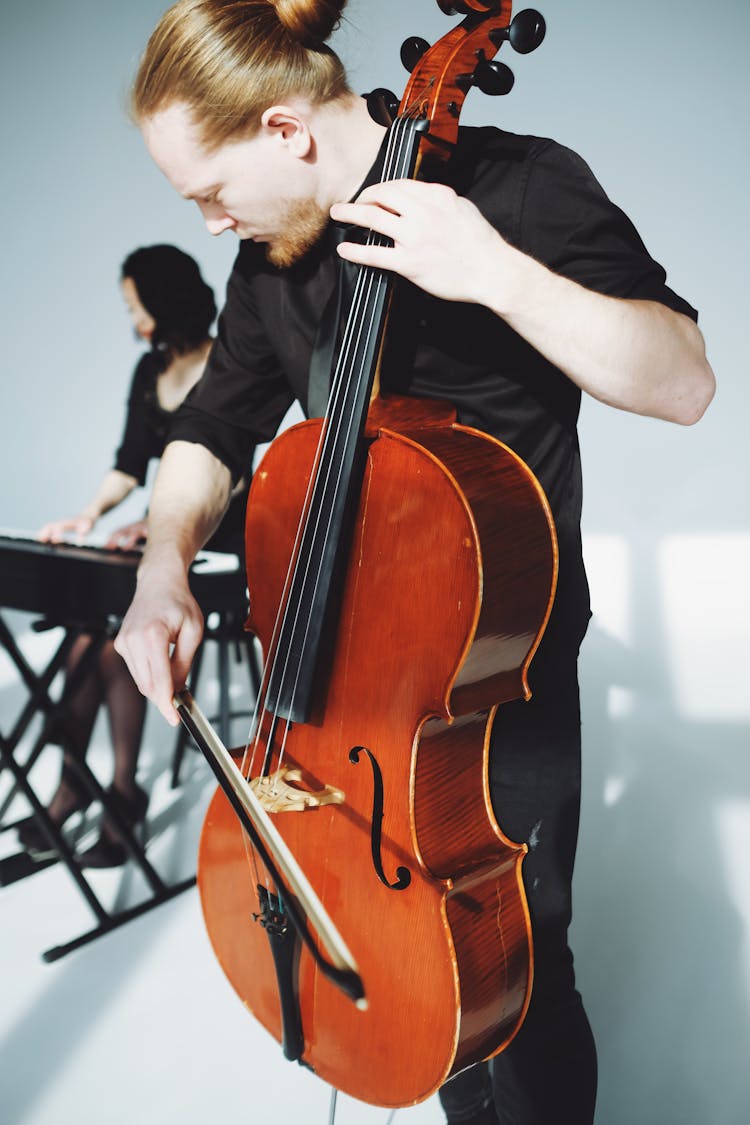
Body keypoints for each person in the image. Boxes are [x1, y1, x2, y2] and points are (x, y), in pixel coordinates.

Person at [113, 1, 715, 1121]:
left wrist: (493, 272)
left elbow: (682, 380)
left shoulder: (521, 187)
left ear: (287, 132)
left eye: (209, 191)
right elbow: (209, 430)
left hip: (494, 687)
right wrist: (160, 572)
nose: (206, 223)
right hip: (338, 687)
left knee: (515, 976)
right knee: (417, 981)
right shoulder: (274, 262)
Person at [19, 244, 250, 868]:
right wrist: (92, 516)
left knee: (123, 631)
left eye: (134, 303)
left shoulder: (229, 364)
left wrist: (156, 523)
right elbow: (128, 463)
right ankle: (78, 785)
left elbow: (228, 474)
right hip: (168, 535)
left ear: (161, 300)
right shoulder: (149, 372)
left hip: (227, 545)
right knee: (87, 638)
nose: (131, 316)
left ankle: (120, 794)